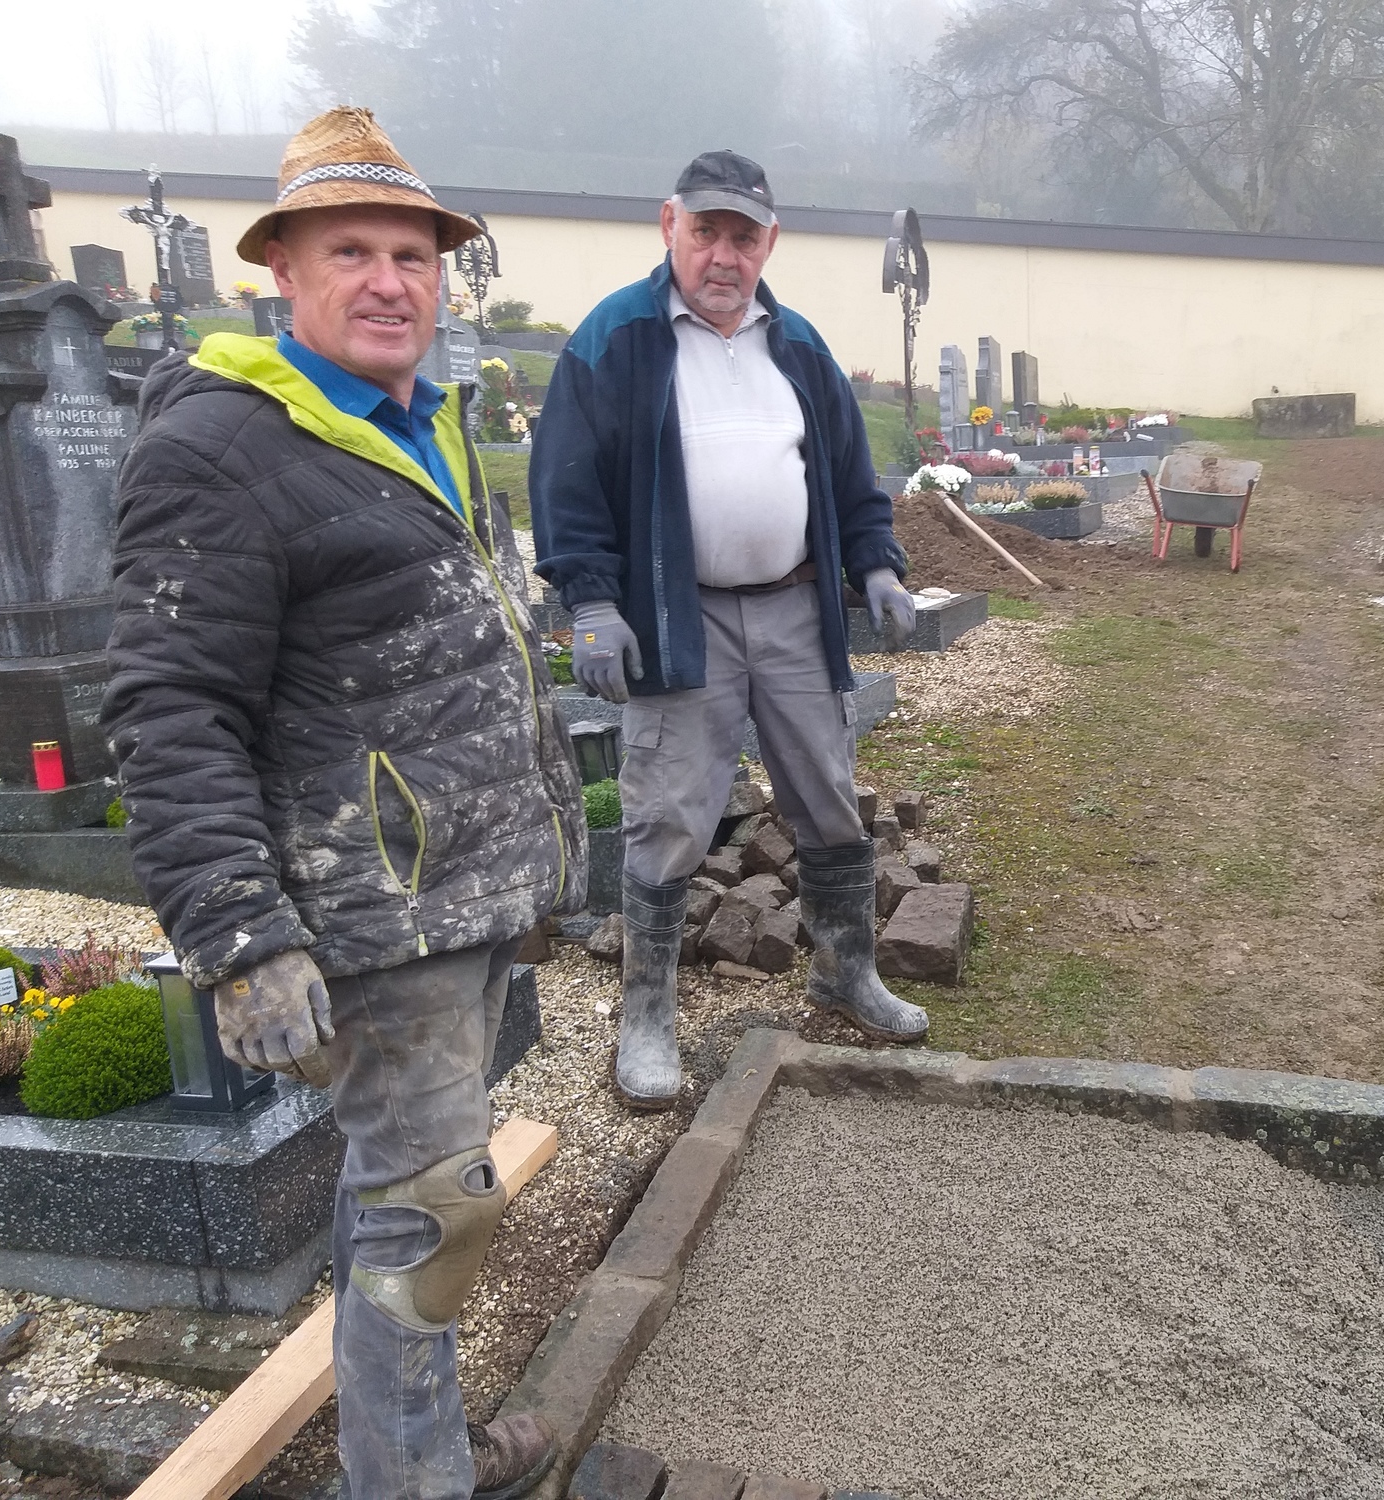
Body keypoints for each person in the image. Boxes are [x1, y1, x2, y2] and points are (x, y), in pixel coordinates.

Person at [102, 107, 585, 1500]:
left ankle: (417, 1442)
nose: (391, 280)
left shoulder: (409, 420)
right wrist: (242, 936)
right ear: (284, 277)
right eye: (353, 252)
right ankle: (416, 1478)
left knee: (401, 1203)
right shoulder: (225, 451)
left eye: (413, 255)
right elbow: (170, 709)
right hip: (380, 913)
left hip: (458, 893)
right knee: (430, 1216)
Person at [532, 149, 926, 1110]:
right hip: (680, 615)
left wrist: (874, 563)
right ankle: (648, 1018)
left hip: (794, 610)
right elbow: (567, 483)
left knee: (830, 797)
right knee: (667, 814)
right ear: (669, 224)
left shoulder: (797, 346)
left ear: (769, 243)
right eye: (705, 230)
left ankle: (844, 970)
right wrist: (590, 601)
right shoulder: (615, 341)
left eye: (742, 235)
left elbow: (847, 471)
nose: (722, 252)